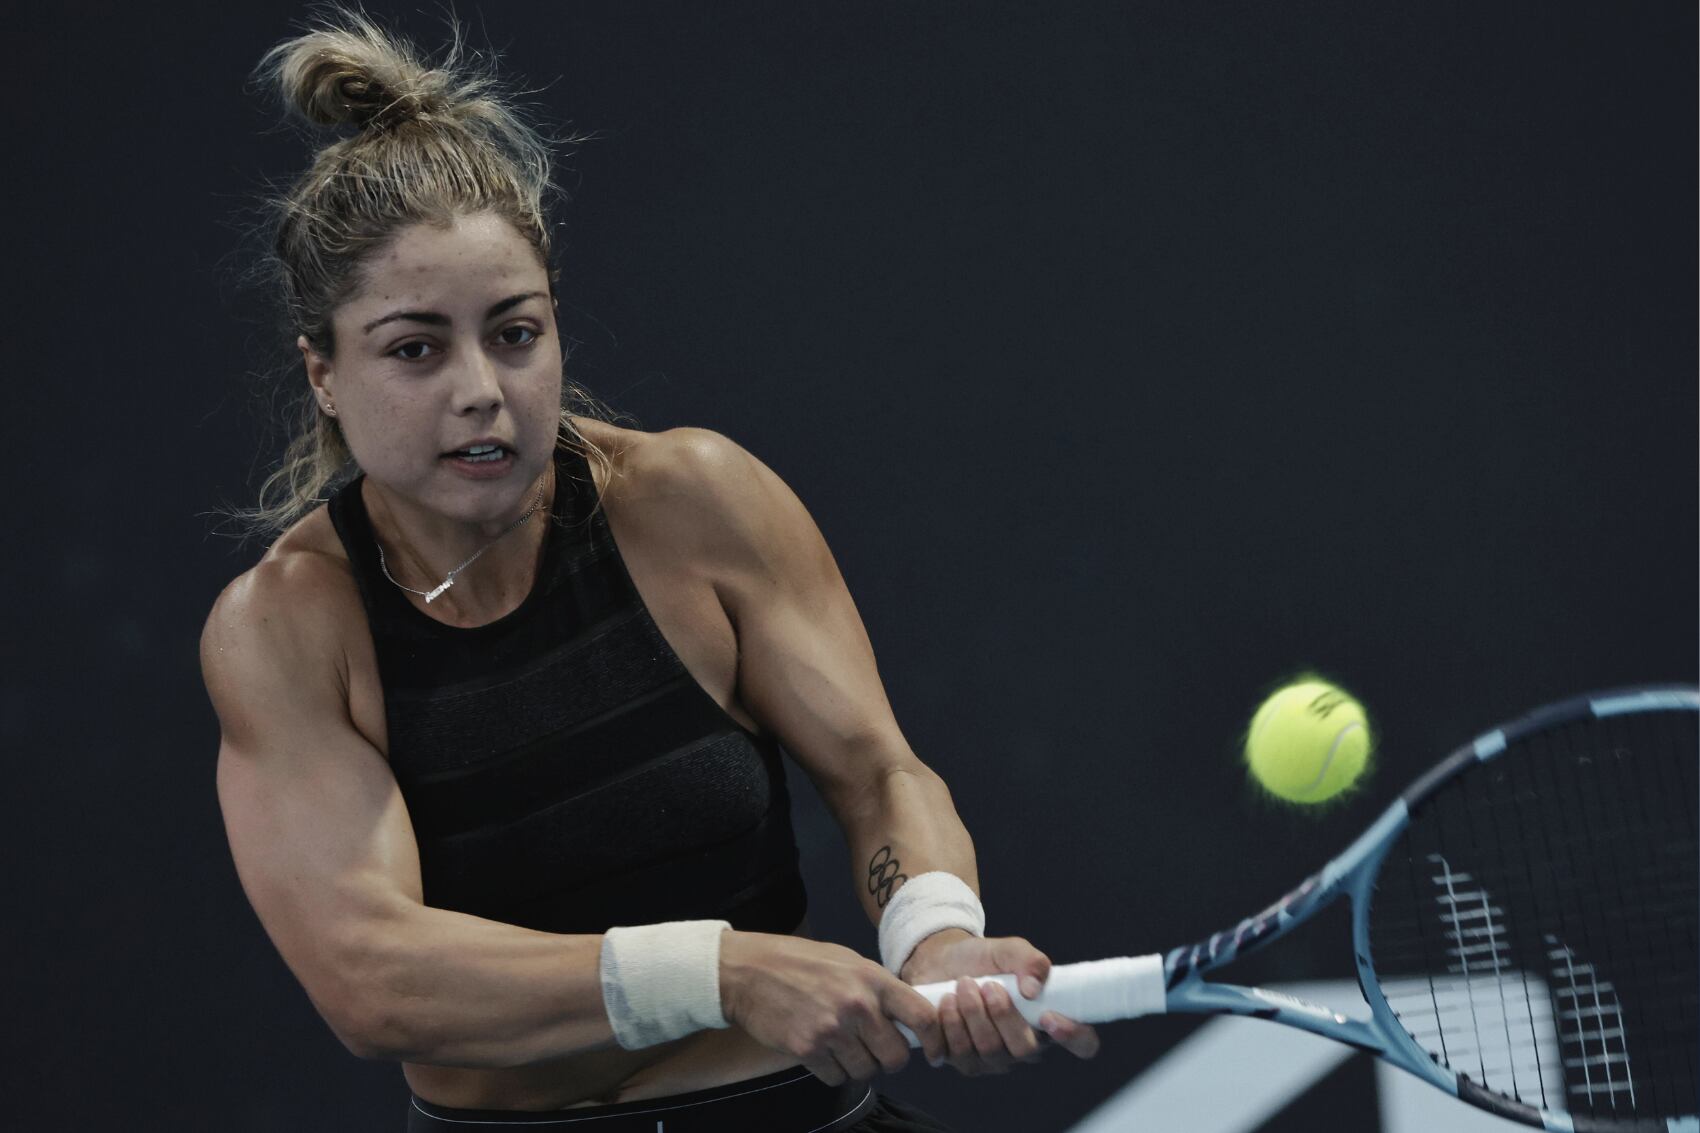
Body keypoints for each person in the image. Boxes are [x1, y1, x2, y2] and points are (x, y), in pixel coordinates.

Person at [202, 10, 1098, 1130]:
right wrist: (723, 970)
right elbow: (371, 977)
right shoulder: (287, 626)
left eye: (515, 332)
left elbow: (879, 775)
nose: (480, 388)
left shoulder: (693, 501)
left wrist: (934, 931)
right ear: (324, 373)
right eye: (415, 348)